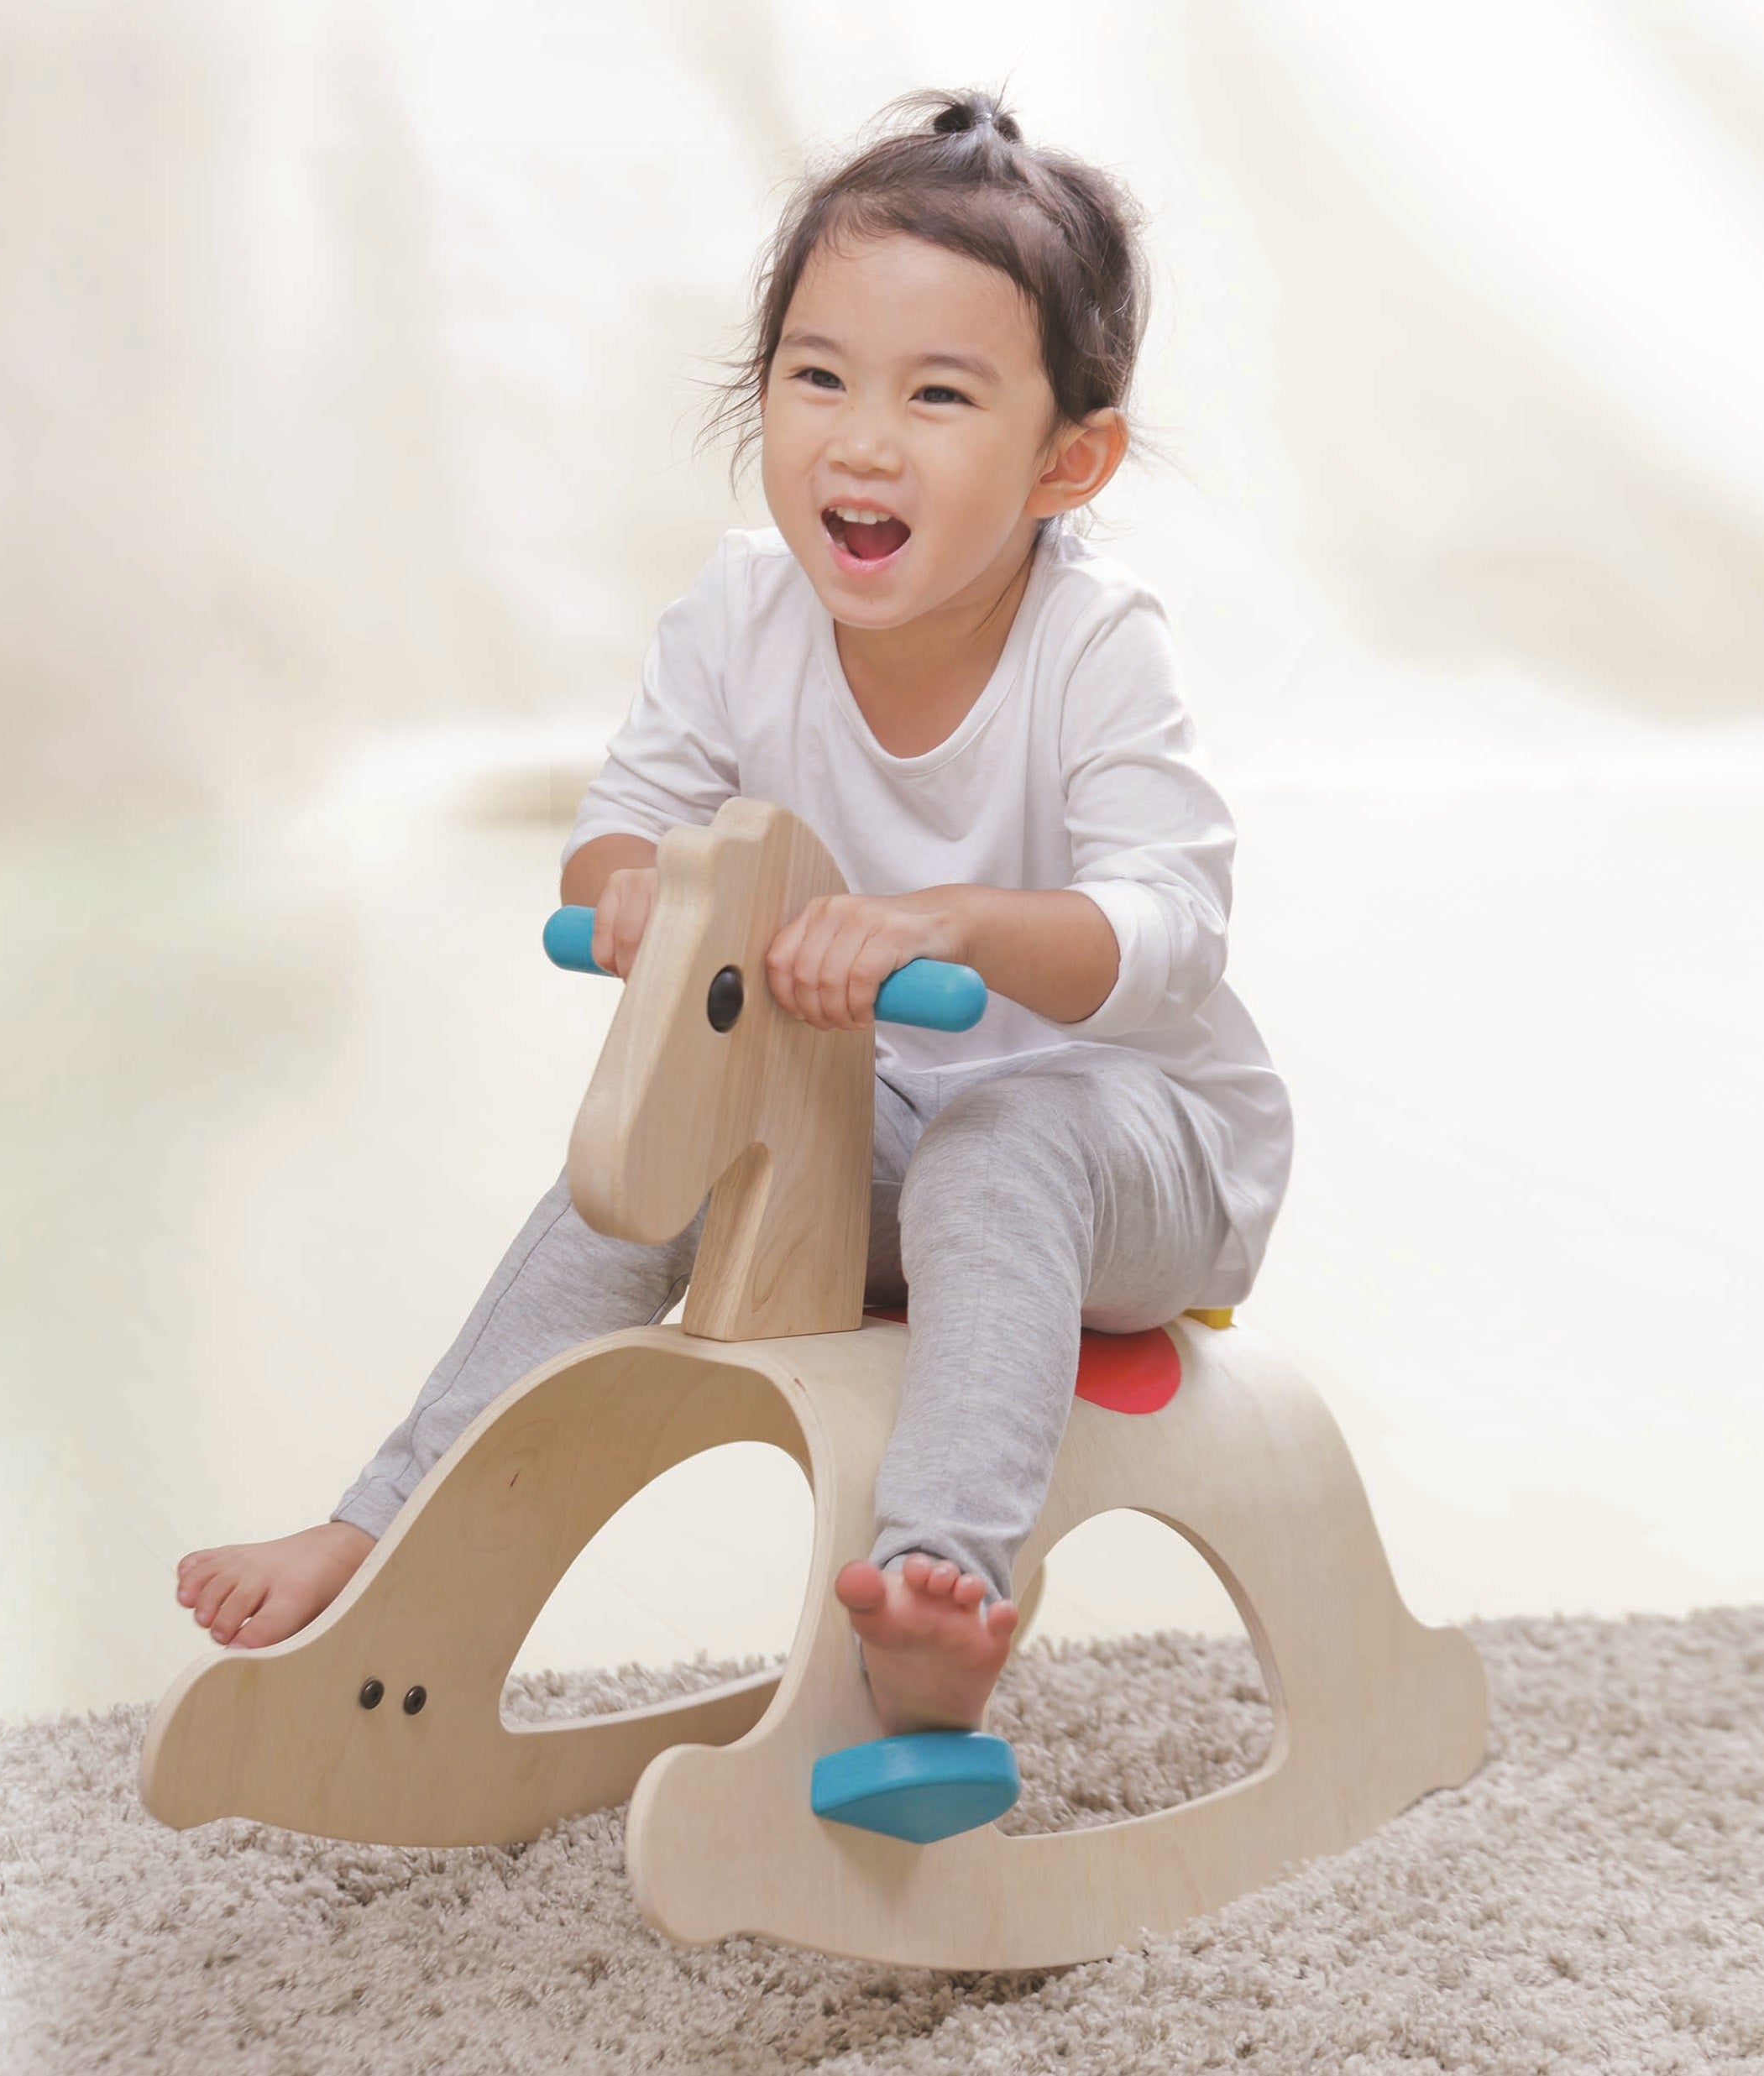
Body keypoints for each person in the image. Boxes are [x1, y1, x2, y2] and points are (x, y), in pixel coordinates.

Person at [176, 87, 1293, 1741]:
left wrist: (955, 925)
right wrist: (638, 897)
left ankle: (945, 1595)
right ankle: (387, 1524)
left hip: (1143, 1153)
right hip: (881, 1128)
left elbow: (1167, 928)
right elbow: (620, 830)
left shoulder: (1096, 649)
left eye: (938, 395)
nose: (858, 437)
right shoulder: (738, 613)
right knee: (638, 1174)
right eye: (817, 376)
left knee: (1009, 1142)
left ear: (1070, 460)